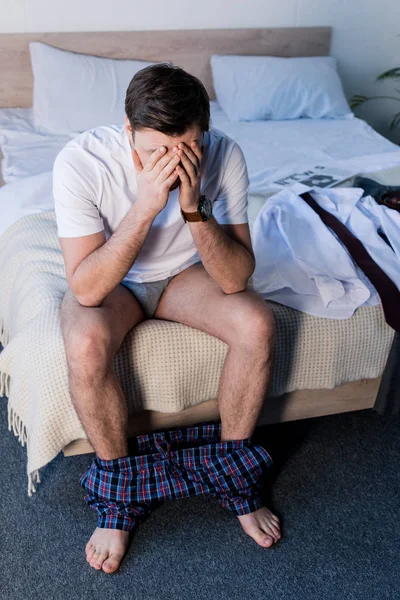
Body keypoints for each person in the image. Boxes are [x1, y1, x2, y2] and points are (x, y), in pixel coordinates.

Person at [53, 63, 280, 575]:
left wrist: (193, 207)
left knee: (257, 324)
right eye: (157, 149)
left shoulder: (225, 153)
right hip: (112, 280)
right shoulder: (82, 161)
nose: (175, 160)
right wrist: (146, 206)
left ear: (206, 131)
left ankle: (235, 477)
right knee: (86, 343)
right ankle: (117, 501)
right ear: (129, 131)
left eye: (190, 145)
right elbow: (87, 287)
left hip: (184, 277)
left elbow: (235, 278)